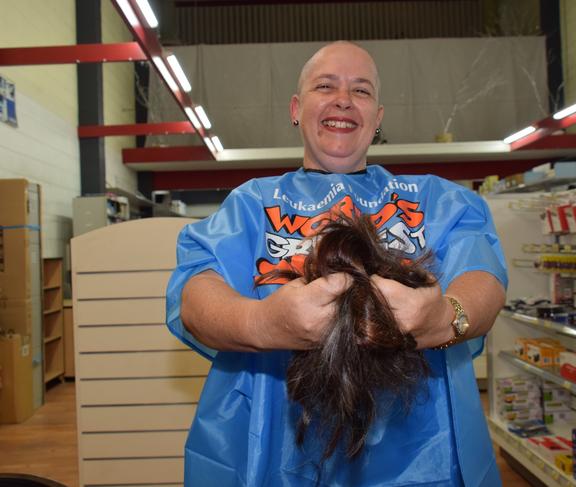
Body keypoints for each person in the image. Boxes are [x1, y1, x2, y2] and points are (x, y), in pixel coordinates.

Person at [166, 41, 508, 486]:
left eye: (361, 91)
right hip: (270, 452)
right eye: (324, 85)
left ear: (378, 118)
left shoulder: (437, 200)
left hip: (423, 457)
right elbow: (195, 294)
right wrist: (264, 322)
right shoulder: (249, 205)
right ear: (296, 108)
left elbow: (483, 278)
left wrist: (444, 316)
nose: (343, 99)